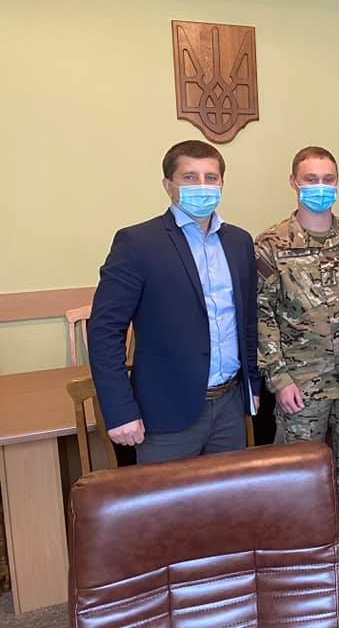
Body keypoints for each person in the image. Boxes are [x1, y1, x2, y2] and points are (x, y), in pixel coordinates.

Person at [88, 140, 260, 463]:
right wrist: (120, 410)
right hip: (167, 414)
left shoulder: (239, 242)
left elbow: (247, 321)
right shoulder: (137, 243)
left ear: (222, 183)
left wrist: (253, 387)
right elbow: (104, 330)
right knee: (167, 498)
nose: (202, 186)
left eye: (211, 177)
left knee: (229, 495)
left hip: (229, 407)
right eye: (190, 177)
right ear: (169, 186)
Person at [254, 146, 339, 586]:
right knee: (296, 471)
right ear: (294, 182)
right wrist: (278, 377)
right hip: (301, 380)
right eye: (310, 179)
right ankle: (296, 552)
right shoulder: (271, 244)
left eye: (327, 179)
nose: (320, 187)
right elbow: (262, 316)